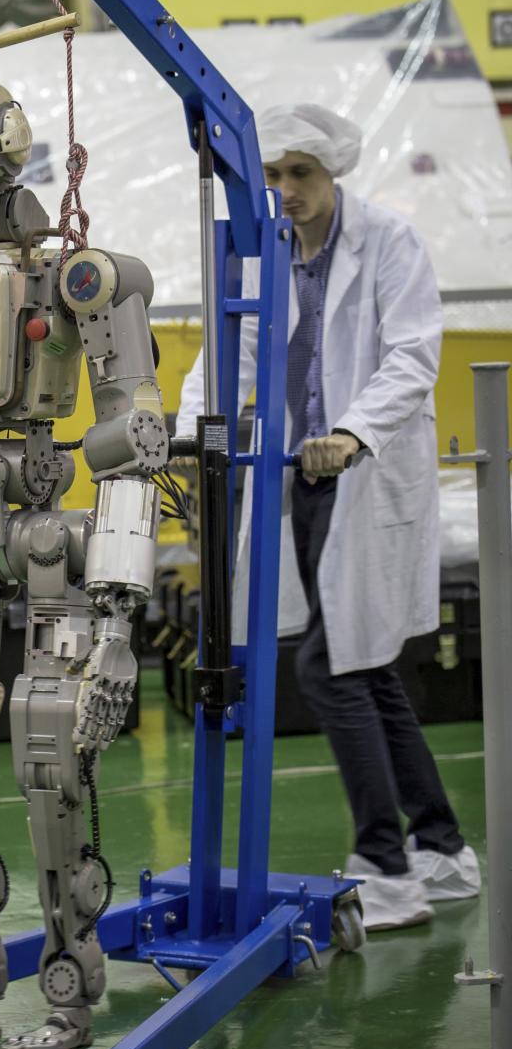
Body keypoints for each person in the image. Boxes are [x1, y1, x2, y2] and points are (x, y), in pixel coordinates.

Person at [177, 104, 479, 931]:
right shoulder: (265, 251)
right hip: (300, 481)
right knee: (366, 663)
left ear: (332, 170)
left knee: (331, 666)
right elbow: (227, 352)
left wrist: (351, 432)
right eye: (271, 177)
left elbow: (414, 354)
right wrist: (182, 433)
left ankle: (387, 868)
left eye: (299, 174)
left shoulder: (387, 239)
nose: (286, 192)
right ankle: (442, 849)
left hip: (365, 472)